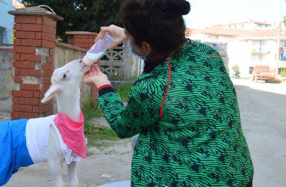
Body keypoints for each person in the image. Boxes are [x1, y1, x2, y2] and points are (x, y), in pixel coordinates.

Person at [83, 0, 254, 186]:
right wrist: (126, 34)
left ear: (146, 46)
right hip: (238, 177)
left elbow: (122, 126)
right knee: (139, 140)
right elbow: (164, 53)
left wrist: (103, 85)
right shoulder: (209, 55)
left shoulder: (153, 87)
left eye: (130, 37)